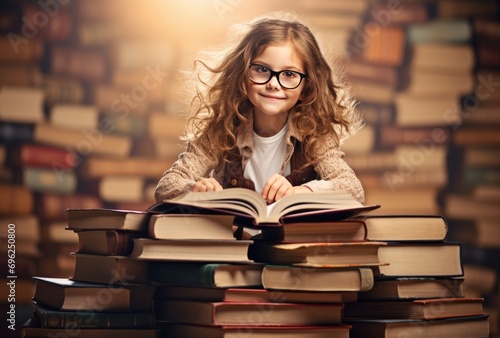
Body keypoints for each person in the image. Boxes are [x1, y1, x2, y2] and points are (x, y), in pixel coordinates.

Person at [154, 13, 365, 205]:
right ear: (243, 75)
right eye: (262, 70)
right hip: (233, 242)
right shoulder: (221, 130)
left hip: (291, 243)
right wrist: (195, 190)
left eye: (289, 74)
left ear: (305, 86)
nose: (273, 83)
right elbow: (167, 186)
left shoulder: (315, 135)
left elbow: (353, 189)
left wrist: (301, 191)